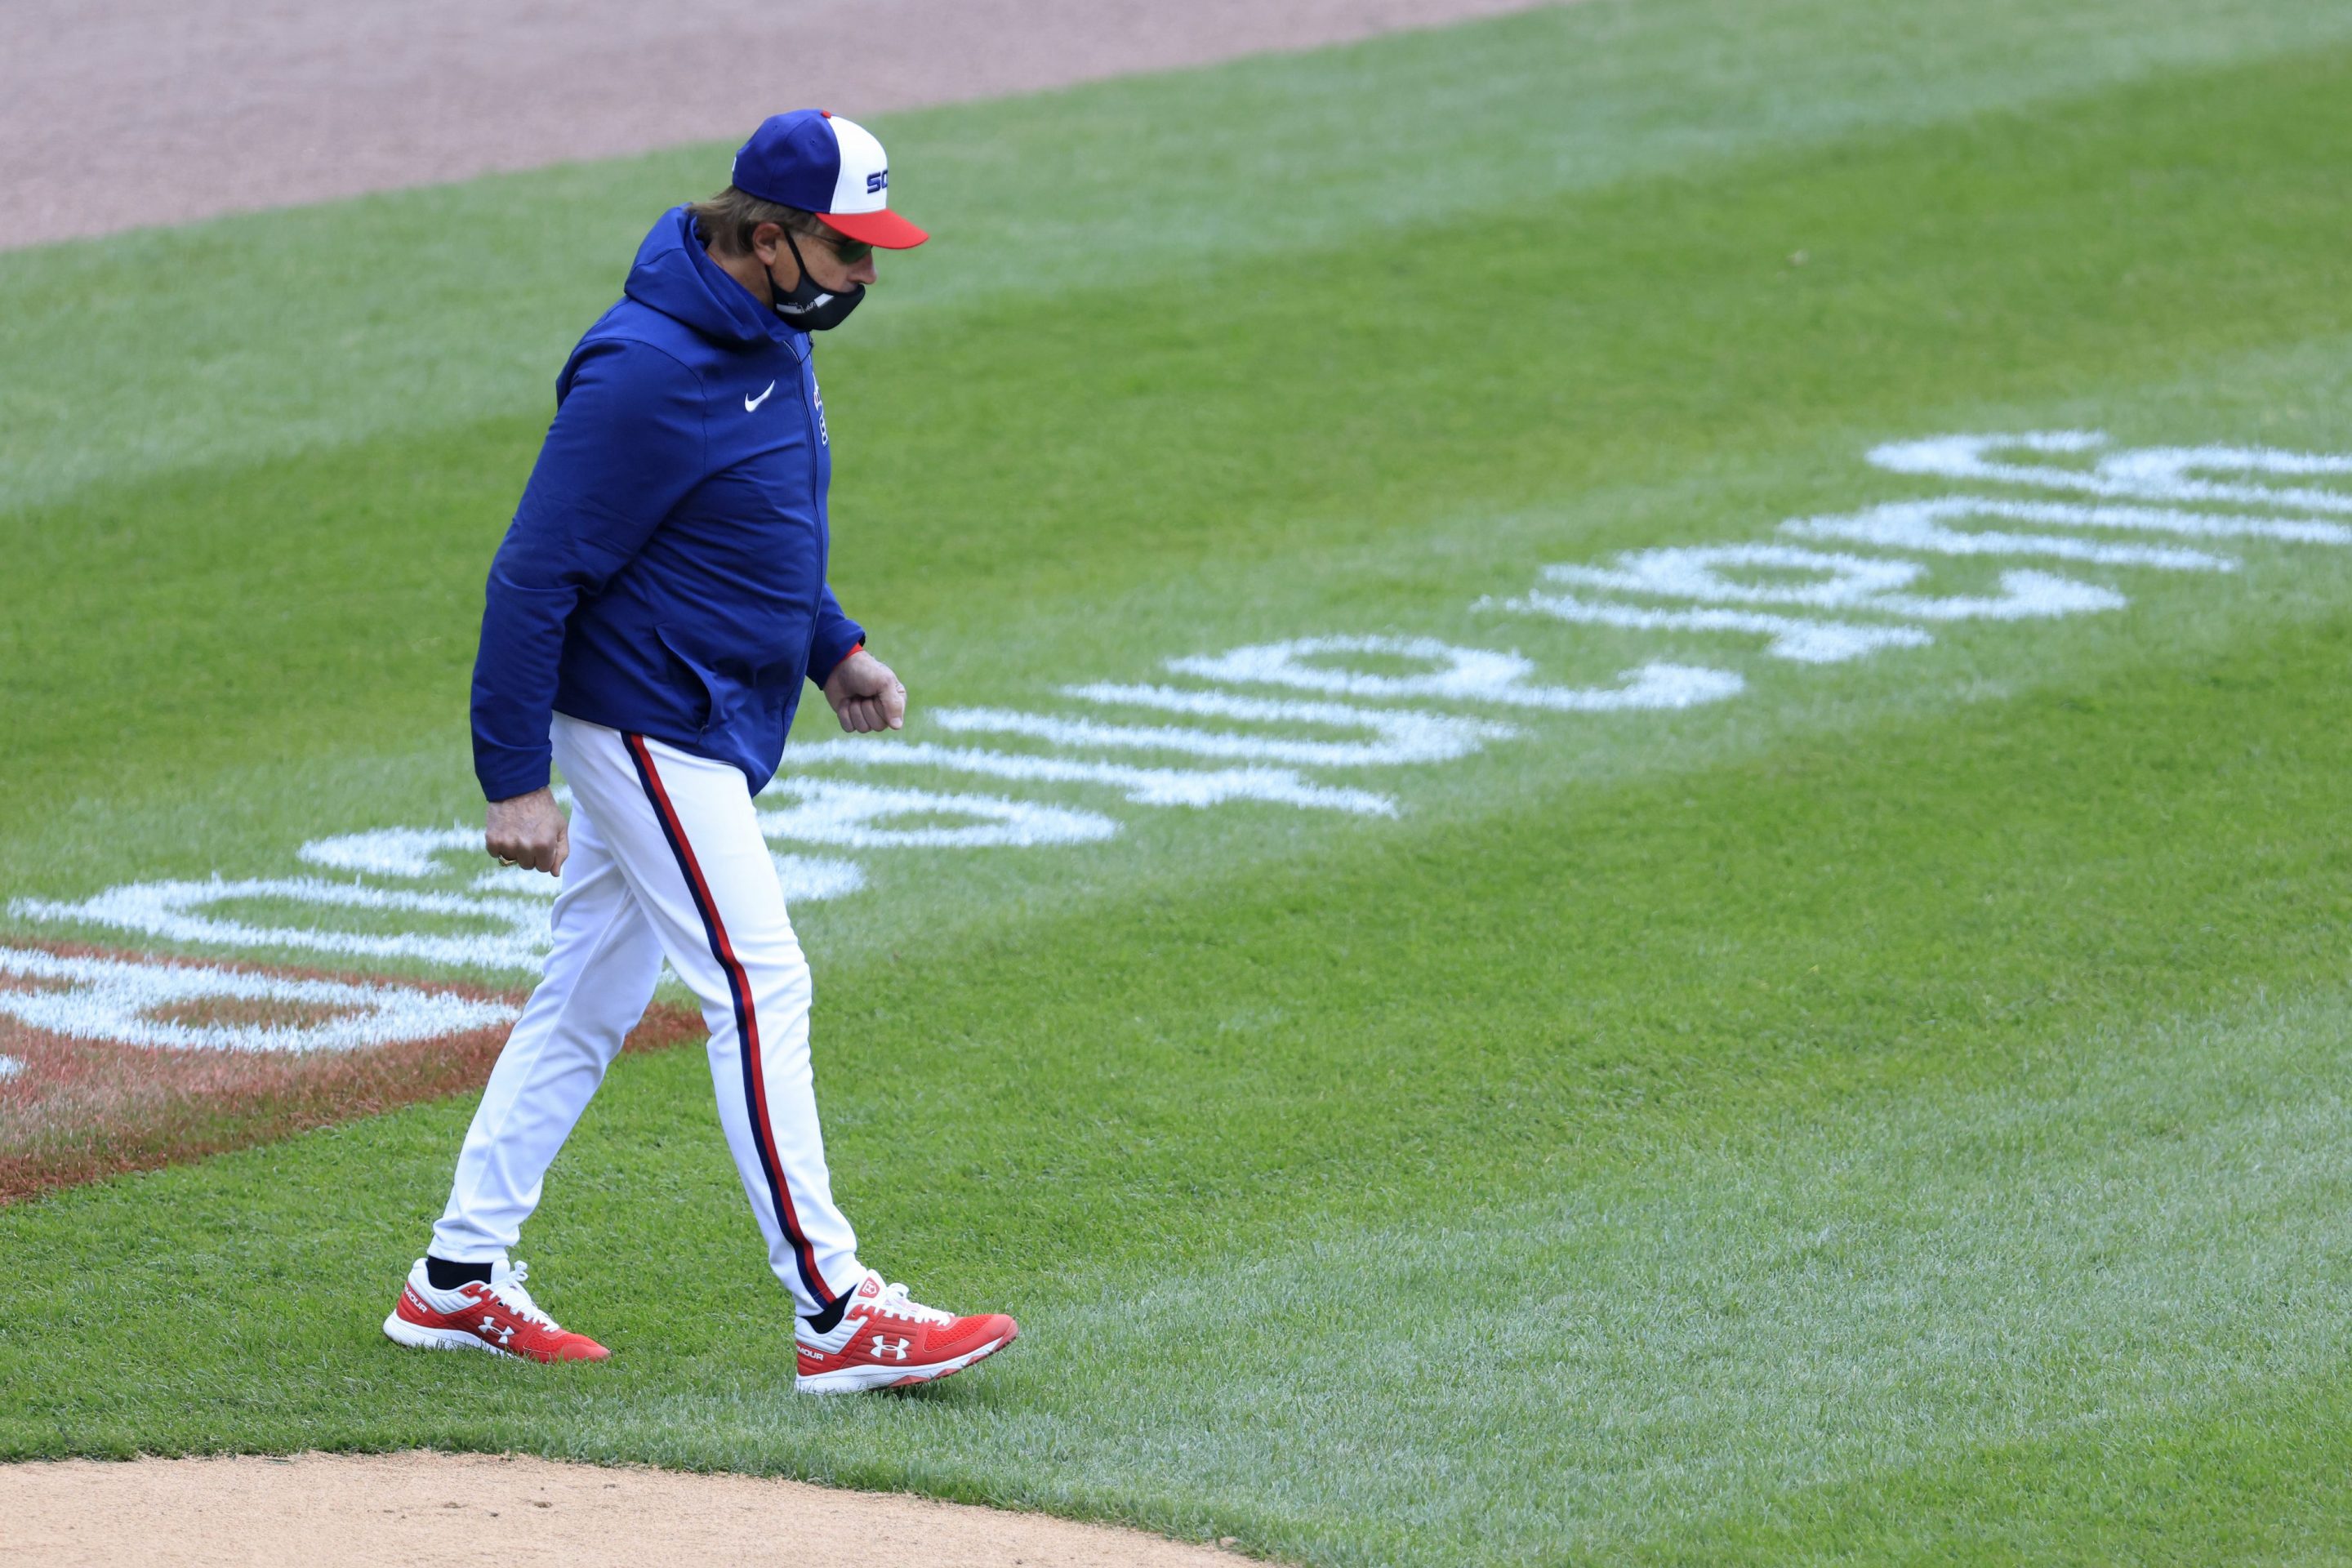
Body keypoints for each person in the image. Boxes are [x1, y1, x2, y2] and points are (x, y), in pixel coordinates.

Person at [382, 110, 1018, 1392]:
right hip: (646, 714)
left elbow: (749, 525)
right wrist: (513, 777)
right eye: (849, 249)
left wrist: (832, 647)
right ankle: (836, 1309)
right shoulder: (645, 368)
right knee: (759, 981)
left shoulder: (770, 336)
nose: (867, 276)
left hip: (714, 704)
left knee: (590, 996)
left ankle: (456, 1280)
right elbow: (532, 577)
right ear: (768, 238)